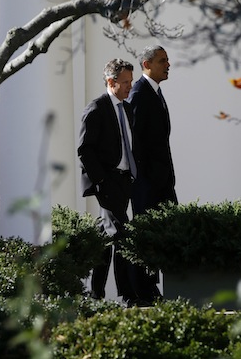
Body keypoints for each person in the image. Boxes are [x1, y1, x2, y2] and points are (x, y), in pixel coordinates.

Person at [77, 58, 138, 303]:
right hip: (107, 181)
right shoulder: (96, 108)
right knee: (123, 234)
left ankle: (95, 293)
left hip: (125, 180)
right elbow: (84, 150)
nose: (129, 87)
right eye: (125, 82)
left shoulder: (127, 108)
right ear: (111, 82)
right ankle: (128, 294)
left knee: (106, 235)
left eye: (131, 82)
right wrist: (101, 180)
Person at [127, 45, 178, 303]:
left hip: (162, 182)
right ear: (146, 65)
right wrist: (144, 179)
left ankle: (155, 288)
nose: (168, 65)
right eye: (162, 61)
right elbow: (136, 142)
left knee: (165, 233)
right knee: (145, 236)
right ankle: (143, 292)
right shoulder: (139, 93)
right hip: (148, 183)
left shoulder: (155, 92)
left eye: (167, 60)